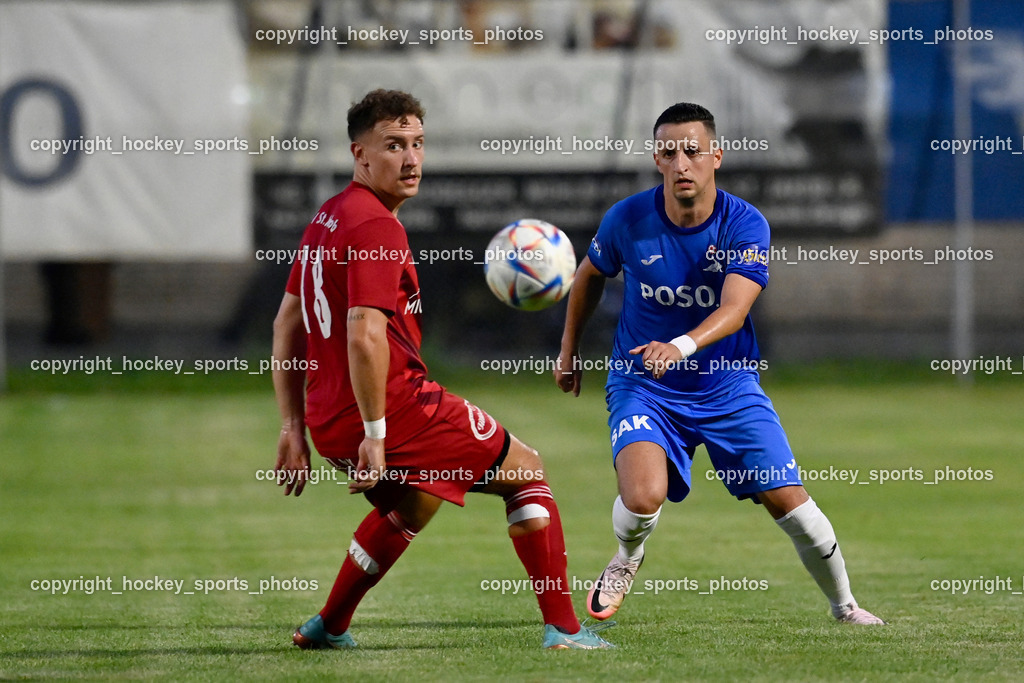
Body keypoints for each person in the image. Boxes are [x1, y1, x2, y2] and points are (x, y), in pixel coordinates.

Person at [271, 89, 613, 650]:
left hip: (329, 419)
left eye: (418, 145)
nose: (410, 160)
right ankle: (566, 631)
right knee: (525, 471)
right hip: (393, 411)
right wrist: (377, 436)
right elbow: (363, 332)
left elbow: (287, 322)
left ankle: (329, 625)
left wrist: (292, 427)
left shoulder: (329, 215)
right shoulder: (377, 227)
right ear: (360, 155)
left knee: (416, 501)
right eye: (393, 146)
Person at [554, 102, 884, 626]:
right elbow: (590, 273)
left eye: (692, 150)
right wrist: (569, 350)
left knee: (790, 502)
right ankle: (626, 557)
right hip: (644, 382)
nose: (681, 163)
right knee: (643, 498)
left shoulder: (744, 223)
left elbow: (734, 310)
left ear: (716, 156)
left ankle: (845, 606)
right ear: (656, 159)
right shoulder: (627, 219)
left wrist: (680, 346)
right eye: (669, 152)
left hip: (726, 385)